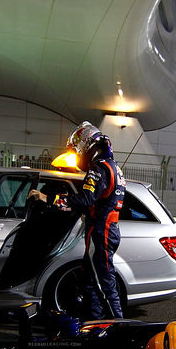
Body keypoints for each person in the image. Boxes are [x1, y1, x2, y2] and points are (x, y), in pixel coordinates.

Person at [29, 121, 125, 319]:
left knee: (103, 284)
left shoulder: (99, 168)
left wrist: (48, 198)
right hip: (105, 230)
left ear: (85, 145)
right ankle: (95, 323)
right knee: (90, 281)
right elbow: (97, 200)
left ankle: (118, 328)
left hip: (101, 232)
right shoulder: (112, 166)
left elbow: (86, 198)